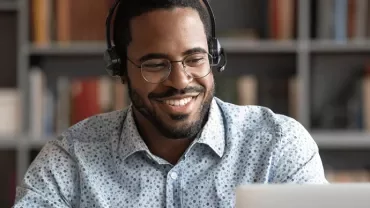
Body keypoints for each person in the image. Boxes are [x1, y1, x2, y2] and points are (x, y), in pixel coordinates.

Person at [13, 0, 328, 207]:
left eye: (194, 59)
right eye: (155, 65)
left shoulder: (278, 146)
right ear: (121, 69)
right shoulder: (70, 159)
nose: (180, 80)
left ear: (214, 57)